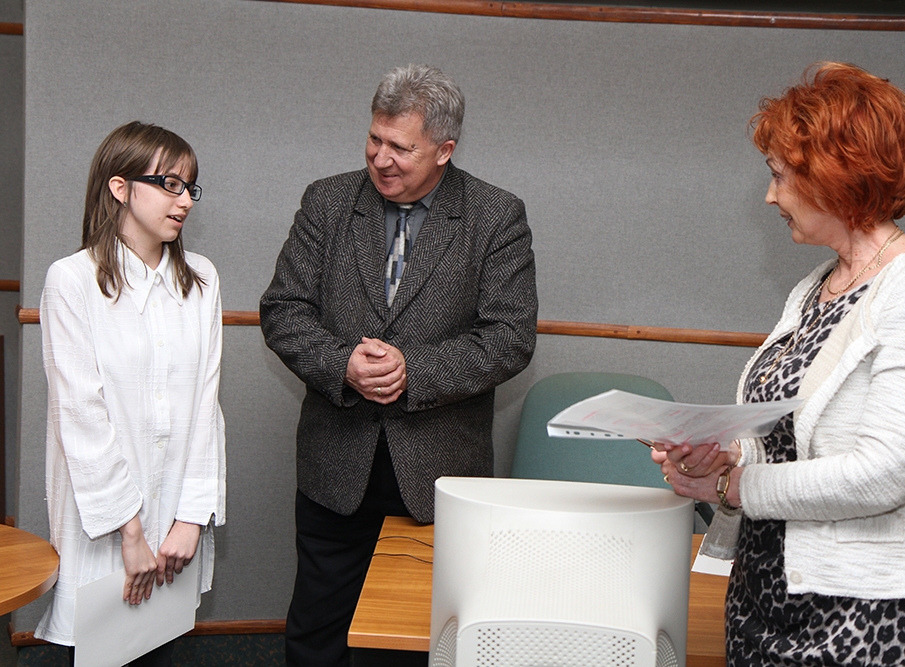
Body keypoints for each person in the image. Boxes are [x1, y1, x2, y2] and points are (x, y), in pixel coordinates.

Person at [652, 62, 905, 666]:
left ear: (835, 175)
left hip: (874, 615)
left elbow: (884, 475)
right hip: (765, 595)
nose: (770, 195)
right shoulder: (815, 286)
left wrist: (735, 486)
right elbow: (790, 441)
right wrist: (724, 456)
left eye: (779, 175)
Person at [259, 64, 538, 666]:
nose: (381, 159)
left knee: (414, 641)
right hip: (337, 466)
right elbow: (283, 310)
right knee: (318, 635)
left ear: (444, 150)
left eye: (400, 148)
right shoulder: (328, 202)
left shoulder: (494, 216)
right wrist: (343, 364)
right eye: (374, 139)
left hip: (438, 474)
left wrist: (414, 370)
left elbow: (510, 338)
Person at [36, 121, 227, 667]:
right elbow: (82, 417)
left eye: (189, 187)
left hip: (176, 525)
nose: (185, 200)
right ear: (120, 187)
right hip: (104, 524)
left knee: (160, 647)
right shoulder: (72, 280)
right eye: (170, 184)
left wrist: (191, 518)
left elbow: (206, 407)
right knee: (97, 649)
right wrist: (131, 531)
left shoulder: (202, 279)